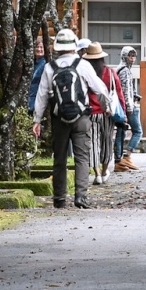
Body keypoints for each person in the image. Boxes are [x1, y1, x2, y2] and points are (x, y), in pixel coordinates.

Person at [33, 28, 111, 208]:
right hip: (81, 118)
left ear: (57, 47)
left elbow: (42, 96)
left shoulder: (49, 67)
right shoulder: (83, 65)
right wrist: (107, 108)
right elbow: (100, 89)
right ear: (74, 45)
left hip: (59, 119)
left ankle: (59, 198)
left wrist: (37, 121)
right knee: (82, 157)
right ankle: (80, 197)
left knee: (59, 158)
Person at [83, 42, 127, 183]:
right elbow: (119, 94)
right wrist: (124, 113)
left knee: (93, 143)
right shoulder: (110, 72)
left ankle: (96, 174)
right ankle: (104, 171)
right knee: (107, 141)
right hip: (108, 112)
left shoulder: (85, 74)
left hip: (91, 113)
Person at [114, 46, 143, 170]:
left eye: (134, 56)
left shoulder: (119, 69)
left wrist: (135, 95)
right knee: (138, 131)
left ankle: (118, 161)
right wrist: (129, 108)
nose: (132, 59)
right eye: (130, 56)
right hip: (127, 107)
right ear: (124, 56)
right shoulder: (125, 70)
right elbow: (125, 91)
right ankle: (128, 156)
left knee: (121, 132)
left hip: (121, 107)